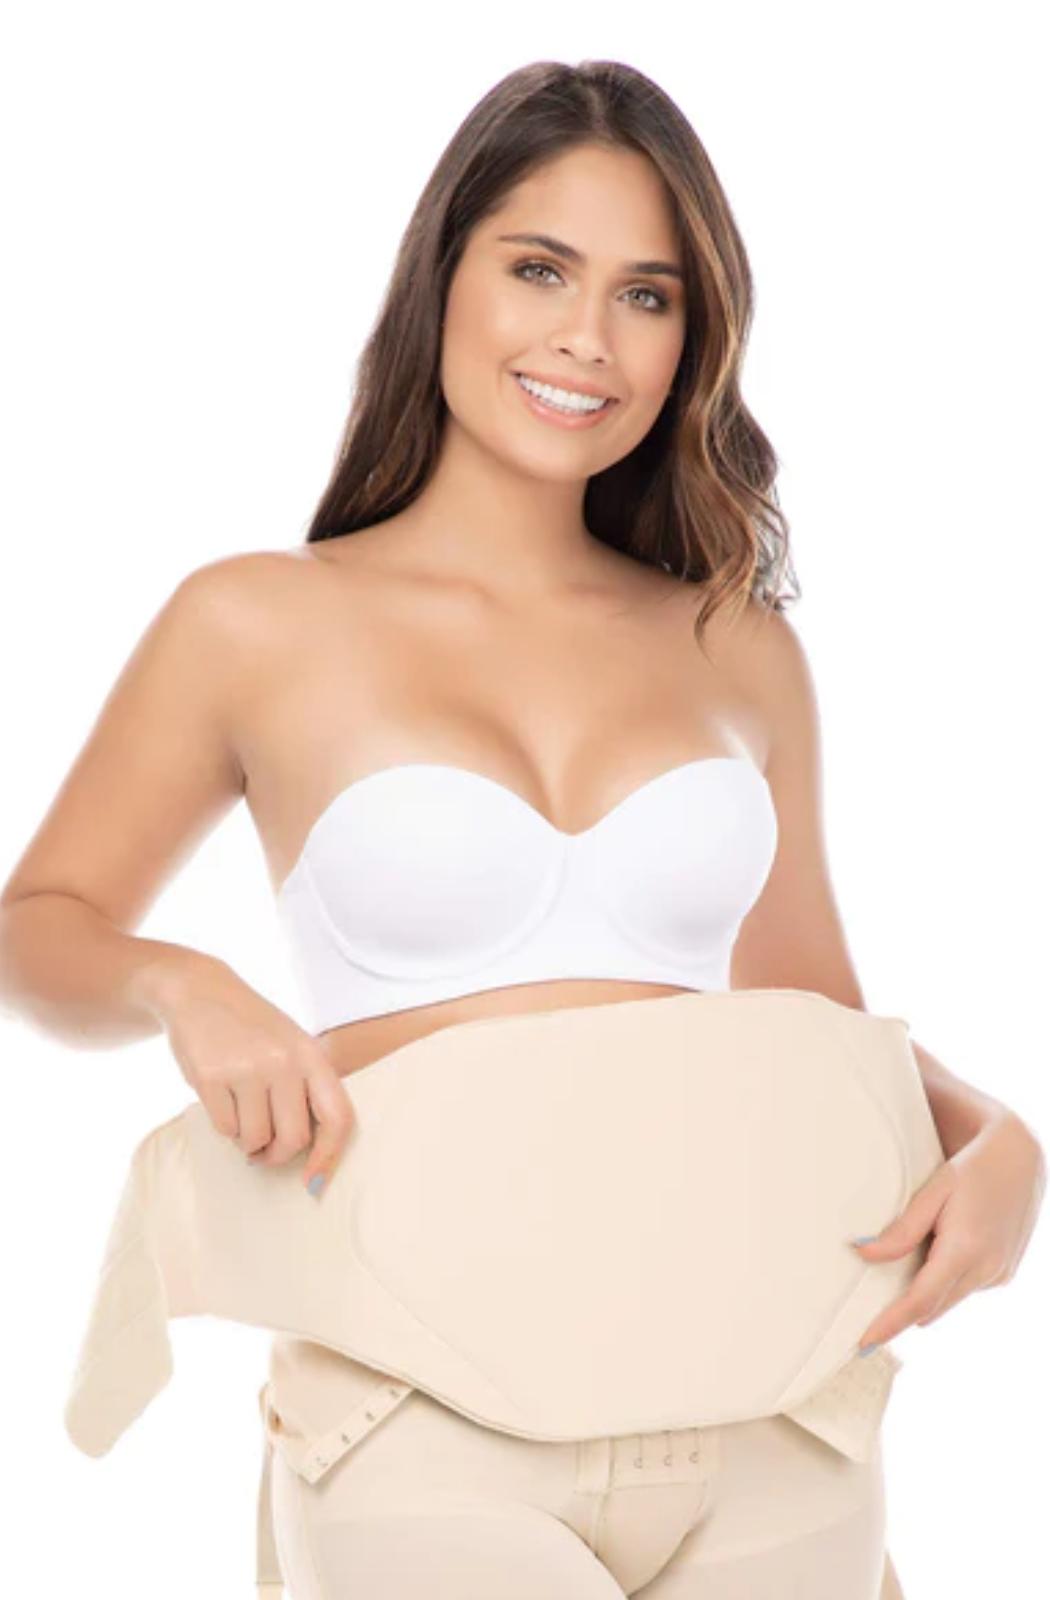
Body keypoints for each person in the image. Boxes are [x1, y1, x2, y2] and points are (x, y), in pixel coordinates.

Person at [1, 58, 1043, 1600]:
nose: (586, 338)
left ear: (692, 338)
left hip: (770, 1405)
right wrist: (182, 983)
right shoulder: (255, 622)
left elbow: (813, 1025)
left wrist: (995, 1137)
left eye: (646, 295)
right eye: (539, 269)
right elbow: (38, 930)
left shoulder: (735, 644)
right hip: (422, 1404)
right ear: (442, 279)